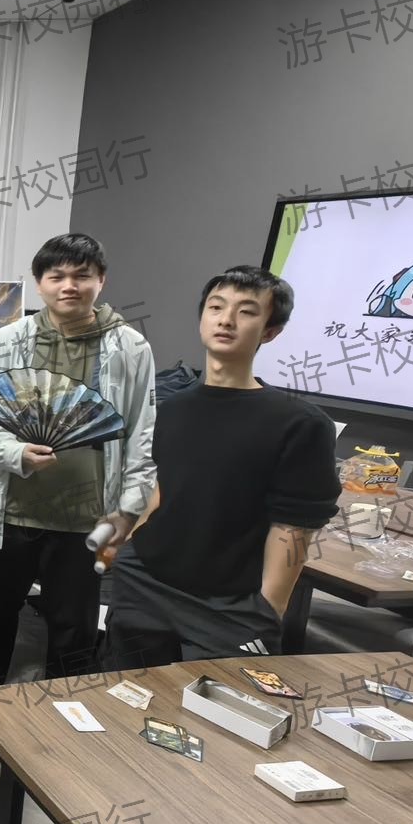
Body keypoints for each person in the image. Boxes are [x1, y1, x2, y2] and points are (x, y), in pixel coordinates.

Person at [103, 267, 338, 669]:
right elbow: (161, 490)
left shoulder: (301, 423)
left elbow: (295, 528)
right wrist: (127, 551)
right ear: (202, 318)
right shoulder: (170, 407)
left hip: (233, 603)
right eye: (216, 307)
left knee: (223, 705)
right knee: (128, 695)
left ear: (270, 331)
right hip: (145, 585)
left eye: (246, 311)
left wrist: (270, 608)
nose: (226, 319)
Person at [0, 233, 157, 717]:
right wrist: (15, 452)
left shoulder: (130, 347)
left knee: (74, 625)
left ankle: (65, 717)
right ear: (40, 283)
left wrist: (130, 507)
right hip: (13, 510)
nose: (69, 285)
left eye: (81, 275)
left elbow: (141, 430)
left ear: (100, 280)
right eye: (57, 276)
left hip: (86, 515)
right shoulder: (9, 340)